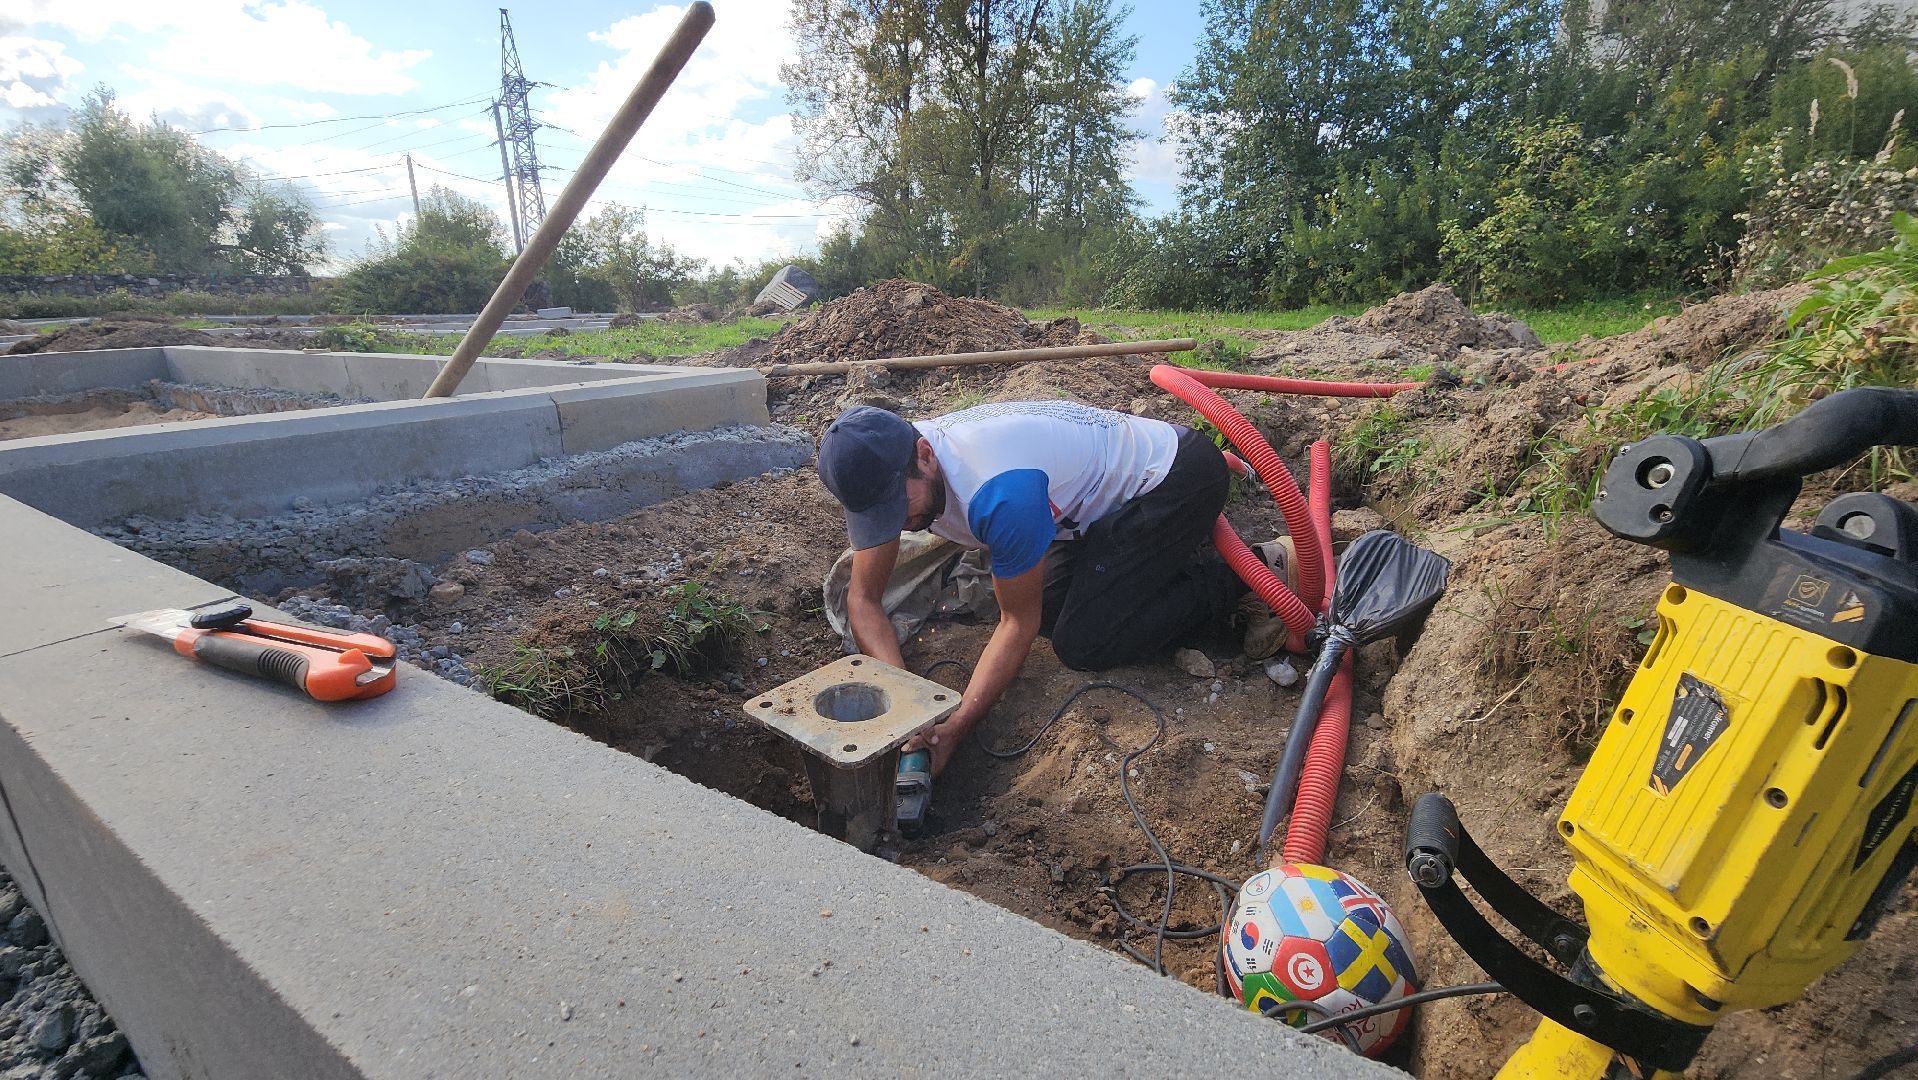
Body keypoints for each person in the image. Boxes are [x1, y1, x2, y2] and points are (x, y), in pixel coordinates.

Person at [817, 400, 1292, 776]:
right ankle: (1155, 564)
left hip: (1173, 481)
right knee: (1046, 599)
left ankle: (1249, 573)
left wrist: (957, 725)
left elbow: (1017, 623)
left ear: (925, 456)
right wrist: (908, 707)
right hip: (1088, 509)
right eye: (878, 517)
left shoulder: (999, 492)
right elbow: (863, 599)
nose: (897, 525)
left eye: (898, 507)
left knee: (1083, 640)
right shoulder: (887, 460)